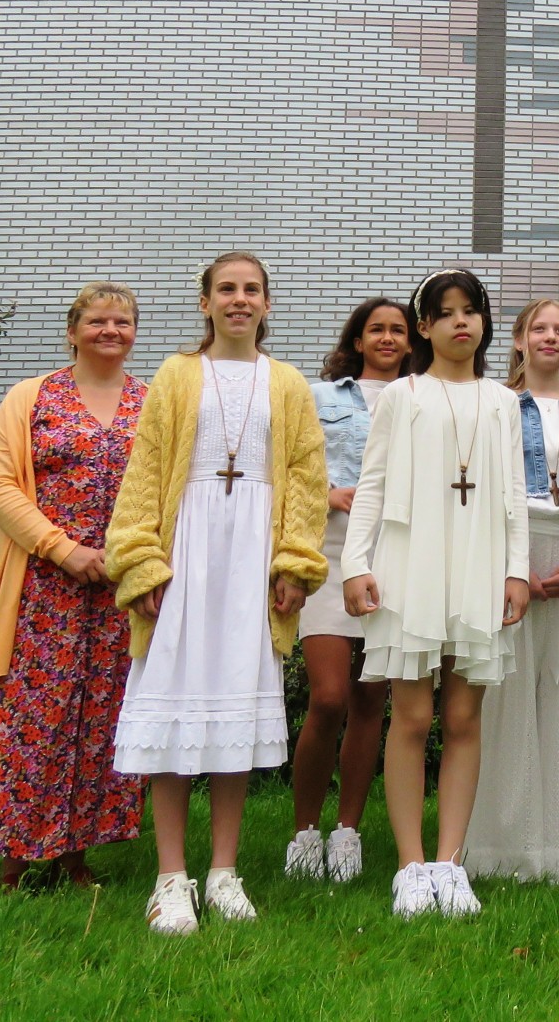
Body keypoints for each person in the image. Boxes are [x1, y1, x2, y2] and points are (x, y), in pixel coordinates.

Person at [105, 253, 329, 934]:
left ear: (267, 304)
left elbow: (306, 475)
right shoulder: (176, 377)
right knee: (174, 718)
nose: (239, 300)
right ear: (204, 302)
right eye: (226, 290)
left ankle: (224, 872)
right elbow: (145, 470)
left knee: (235, 718)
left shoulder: (286, 383)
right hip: (186, 560)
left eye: (251, 290)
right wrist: (143, 562)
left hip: (251, 561)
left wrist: (293, 563)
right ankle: (170, 878)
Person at [342, 268, 530, 920]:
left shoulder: (504, 402)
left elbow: (513, 499)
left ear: (483, 322)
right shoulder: (403, 395)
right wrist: (352, 564)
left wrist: (516, 570)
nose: (460, 323)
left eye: (471, 311)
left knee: (464, 718)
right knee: (414, 716)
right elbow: (372, 482)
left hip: (478, 562)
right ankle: (410, 865)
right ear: (424, 327)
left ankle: (451, 863)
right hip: (411, 560)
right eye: (445, 313)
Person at [0, 282, 147, 890]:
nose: (110, 331)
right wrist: (63, 549)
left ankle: (75, 857)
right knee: (29, 716)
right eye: (97, 321)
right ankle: (15, 857)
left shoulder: (150, 402)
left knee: (101, 717)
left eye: (122, 322)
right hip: (42, 590)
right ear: (72, 331)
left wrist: (136, 560)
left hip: (120, 588)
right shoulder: (32, 397)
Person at [465, 299, 559, 881]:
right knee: (508, 697)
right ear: (520, 341)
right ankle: (507, 845)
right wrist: (512, 562)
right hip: (515, 558)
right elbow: (484, 489)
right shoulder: (497, 409)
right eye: (539, 328)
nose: (551, 337)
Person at [285, 297, 410, 884]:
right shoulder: (318, 397)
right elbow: (287, 471)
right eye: (375, 330)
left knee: (370, 701)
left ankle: (348, 832)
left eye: (397, 331)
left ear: (412, 342)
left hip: (396, 558)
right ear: (357, 341)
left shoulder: (420, 400)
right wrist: (328, 493)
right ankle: (304, 830)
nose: (387, 338)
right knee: (330, 696)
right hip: (331, 554)